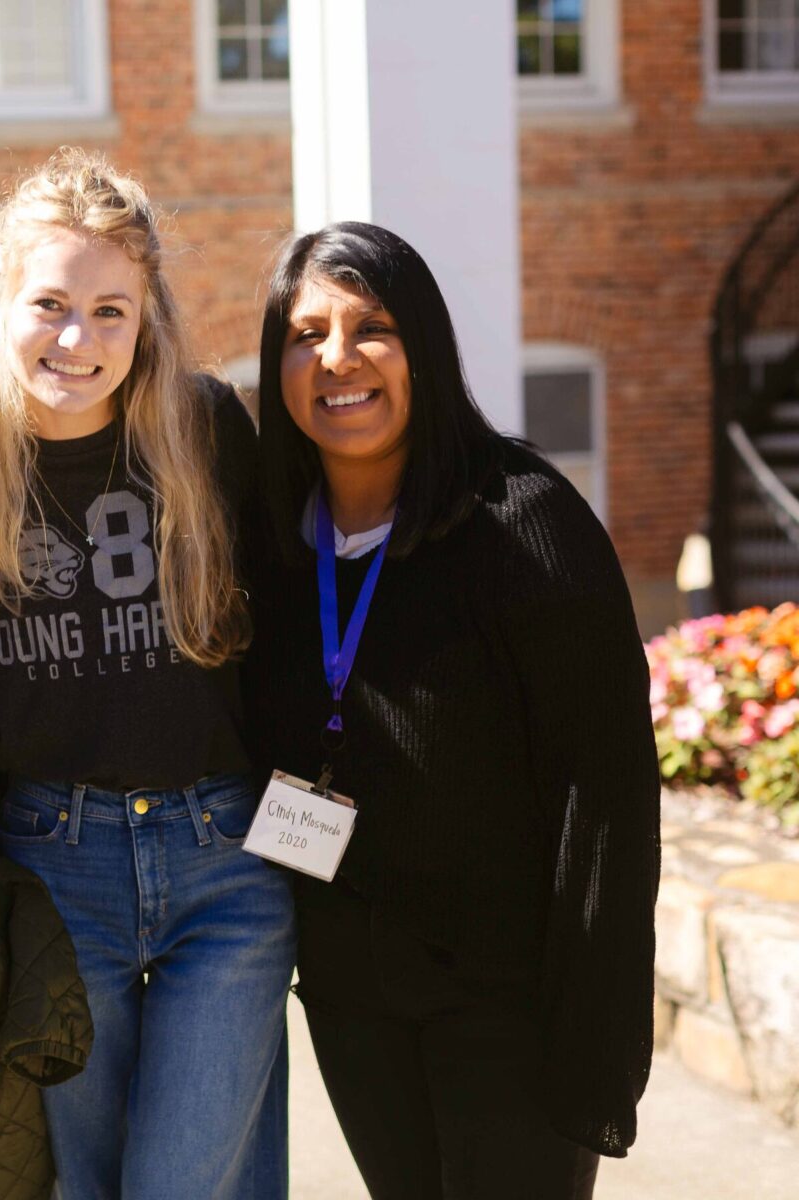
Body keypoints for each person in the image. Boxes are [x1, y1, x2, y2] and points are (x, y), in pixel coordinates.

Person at [252, 220, 659, 1198]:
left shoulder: (522, 522)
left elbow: (602, 801)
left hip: (507, 1009)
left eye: (371, 328)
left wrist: (595, 1051)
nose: (336, 359)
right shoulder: (264, 538)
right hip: (353, 1003)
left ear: (424, 349)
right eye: (305, 335)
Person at [0, 149, 294, 1199]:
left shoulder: (207, 430)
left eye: (110, 311)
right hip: (51, 864)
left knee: (184, 1179)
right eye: (49, 303)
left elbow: (295, 626)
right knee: (83, 1182)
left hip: (226, 859)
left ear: (147, 320)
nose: (77, 339)